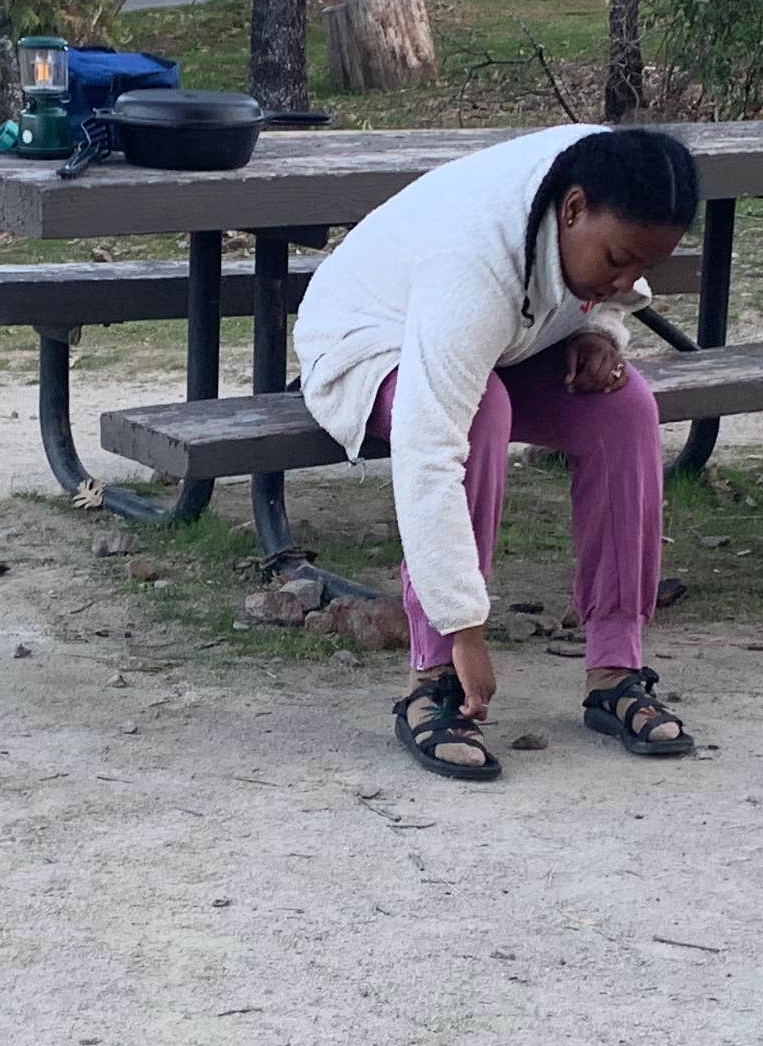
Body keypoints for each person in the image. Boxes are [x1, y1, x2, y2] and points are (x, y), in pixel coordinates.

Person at [290, 122, 703, 784]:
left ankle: (615, 669)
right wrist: (464, 630)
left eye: (644, 268)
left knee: (625, 410)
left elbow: (602, 293)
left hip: (502, 342)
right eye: (619, 259)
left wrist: (599, 328)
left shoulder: (614, 176)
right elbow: (430, 452)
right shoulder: (473, 260)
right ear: (572, 210)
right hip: (369, 343)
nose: (627, 280)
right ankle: (432, 684)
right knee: (482, 413)